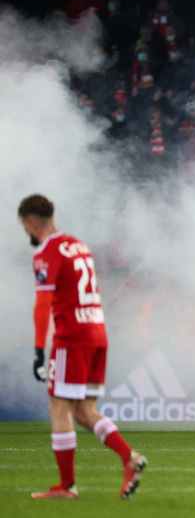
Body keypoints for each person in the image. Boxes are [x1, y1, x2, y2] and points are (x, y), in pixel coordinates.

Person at [18, 195, 147, 500]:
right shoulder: (78, 245)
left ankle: (67, 486)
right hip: (97, 332)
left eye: (24, 224)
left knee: (58, 408)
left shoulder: (46, 252)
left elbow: (43, 304)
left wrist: (39, 350)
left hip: (72, 337)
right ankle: (129, 458)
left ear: (31, 222)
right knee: (84, 411)